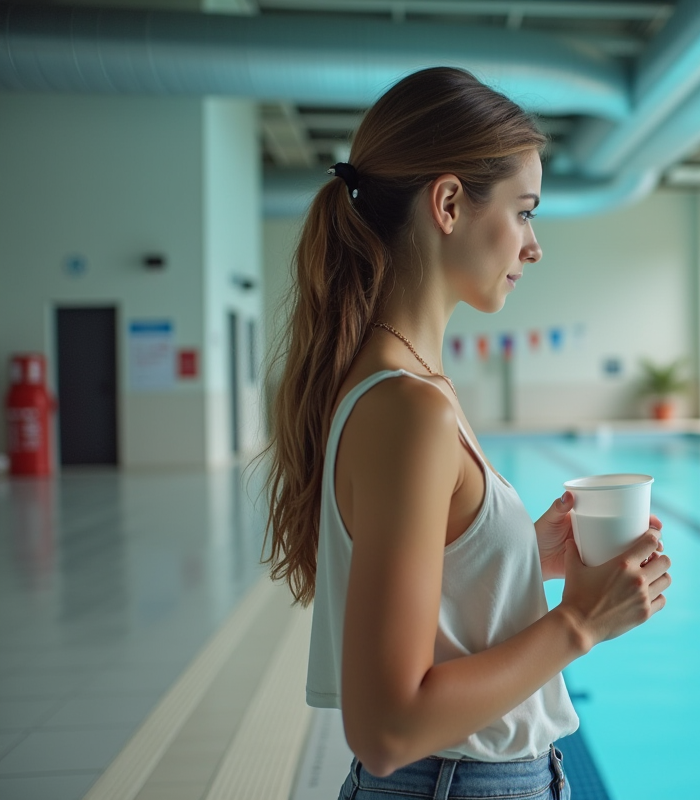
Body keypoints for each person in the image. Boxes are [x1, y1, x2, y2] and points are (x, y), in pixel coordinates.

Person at [262, 67, 672, 800]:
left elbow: (429, 582)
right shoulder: (407, 407)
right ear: (449, 203)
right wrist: (580, 623)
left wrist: (517, 555)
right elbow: (385, 727)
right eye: (523, 211)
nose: (533, 245)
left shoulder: (407, 384)